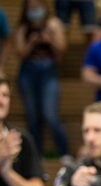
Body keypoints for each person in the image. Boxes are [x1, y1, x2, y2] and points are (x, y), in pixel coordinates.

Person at [14, 0, 70, 162]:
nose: (34, 10)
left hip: (48, 71)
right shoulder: (23, 27)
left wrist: (49, 39)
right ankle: (35, 156)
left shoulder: (53, 24)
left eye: (37, 7)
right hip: (27, 71)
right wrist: (31, 42)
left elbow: (62, 49)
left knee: (50, 114)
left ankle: (65, 153)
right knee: (32, 116)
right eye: (31, 7)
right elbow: (20, 53)